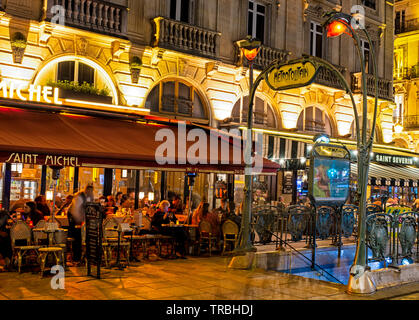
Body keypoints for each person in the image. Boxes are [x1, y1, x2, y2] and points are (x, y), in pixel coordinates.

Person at [67, 184, 95, 264]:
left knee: (86, 236)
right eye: (89, 190)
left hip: (82, 219)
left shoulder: (90, 197)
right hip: (74, 218)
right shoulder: (79, 197)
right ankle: (76, 257)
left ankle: (86, 256)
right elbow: (75, 211)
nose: (91, 192)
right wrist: (79, 221)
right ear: (86, 190)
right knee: (77, 237)